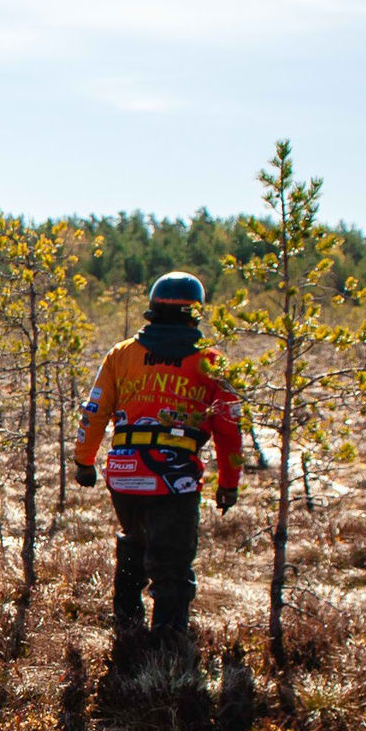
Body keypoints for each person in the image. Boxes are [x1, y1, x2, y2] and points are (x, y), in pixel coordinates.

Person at [71, 271, 243, 646]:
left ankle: (127, 631)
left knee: (135, 542)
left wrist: (84, 461)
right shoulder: (212, 361)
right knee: (172, 563)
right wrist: (229, 485)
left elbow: (94, 411)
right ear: (195, 311)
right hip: (176, 478)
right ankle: (168, 645)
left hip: (125, 474)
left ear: (152, 307)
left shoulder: (122, 354)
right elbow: (230, 430)